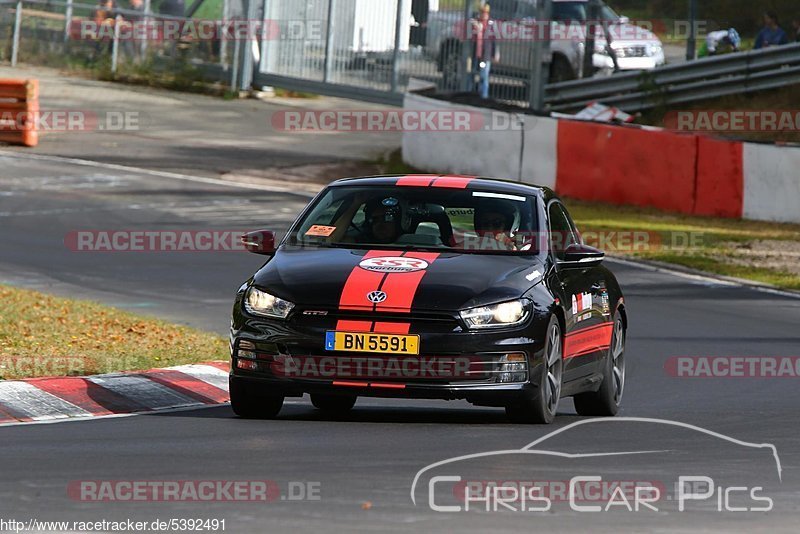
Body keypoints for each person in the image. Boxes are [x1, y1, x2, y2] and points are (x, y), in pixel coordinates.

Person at [471, 3, 499, 99]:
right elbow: (472, 37)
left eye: (486, 13)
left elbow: (494, 41)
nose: (484, 14)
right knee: (474, 74)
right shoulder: (476, 23)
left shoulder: (490, 24)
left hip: (485, 55)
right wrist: (476, 27)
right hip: (477, 54)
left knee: (484, 75)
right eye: (482, 12)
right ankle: (477, 93)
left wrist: (495, 54)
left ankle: (484, 95)